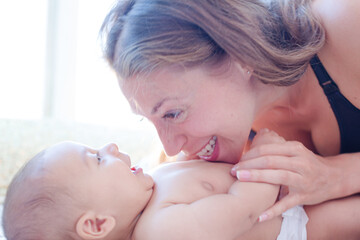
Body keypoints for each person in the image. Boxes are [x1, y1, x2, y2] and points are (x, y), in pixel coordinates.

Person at [99, 0, 360, 228]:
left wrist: (338, 175)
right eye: (149, 119)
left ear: (240, 54)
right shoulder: (226, 154)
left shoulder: (345, 23)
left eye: (173, 113)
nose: (170, 145)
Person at [3, 130, 310, 240]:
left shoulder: (144, 191)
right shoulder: (159, 231)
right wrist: (266, 159)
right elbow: (241, 211)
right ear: (97, 224)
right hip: (298, 224)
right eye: (96, 159)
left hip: (287, 199)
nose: (109, 146)